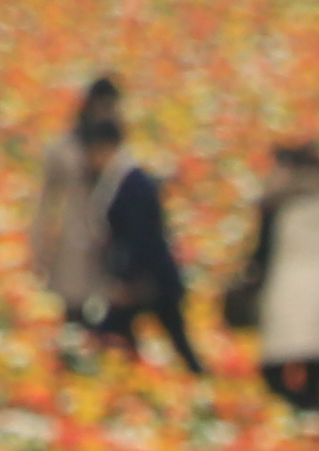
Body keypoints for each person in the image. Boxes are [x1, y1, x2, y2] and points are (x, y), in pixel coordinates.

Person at [236, 138, 319, 414]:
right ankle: (312, 412)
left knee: (275, 364)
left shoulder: (277, 205)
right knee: (318, 364)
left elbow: (262, 253)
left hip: (288, 285)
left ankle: (297, 411)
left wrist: (249, 280)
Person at [30, 81, 126, 354]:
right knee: (73, 308)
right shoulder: (64, 149)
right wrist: (40, 247)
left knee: (108, 312)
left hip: (108, 237)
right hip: (72, 239)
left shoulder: (117, 146)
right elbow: (46, 202)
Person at [96, 125, 198, 372]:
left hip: (148, 277)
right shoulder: (123, 179)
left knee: (115, 330)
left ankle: (132, 376)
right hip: (151, 275)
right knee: (170, 335)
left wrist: (127, 278)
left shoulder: (130, 182)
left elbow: (140, 235)